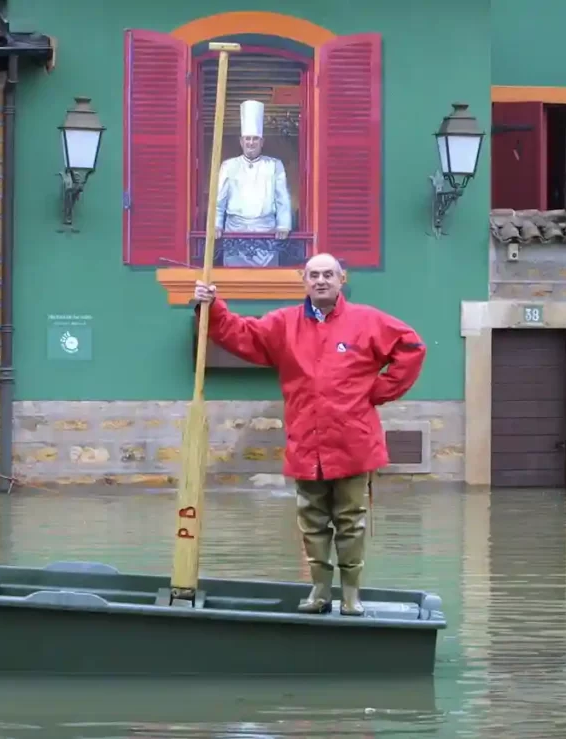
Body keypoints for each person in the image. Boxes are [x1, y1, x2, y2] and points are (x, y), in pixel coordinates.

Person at [193, 253, 427, 616]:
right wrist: (213, 307)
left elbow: (411, 347)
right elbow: (241, 334)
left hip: (353, 440)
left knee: (352, 520)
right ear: (303, 279)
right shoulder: (283, 324)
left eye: (328, 275)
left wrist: (379, 392)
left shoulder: (367, 321)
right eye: (314, 275)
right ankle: (319, 590)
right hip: (306, 439)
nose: (321, 280)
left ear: (342, 279)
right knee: (312, 520)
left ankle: (351, 594)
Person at [214, 99, 292, 267]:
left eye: (255, 139)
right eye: (247, 139)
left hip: (266, 233)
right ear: (241, 141)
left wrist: (283, 225)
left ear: (262, 142)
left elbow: (282, 199)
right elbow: (219, 200)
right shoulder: (228, 165)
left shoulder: (274, 165)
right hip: (235, 233)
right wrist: (216, 224)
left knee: (267, 284)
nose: (251, 143)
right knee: (234, 282)